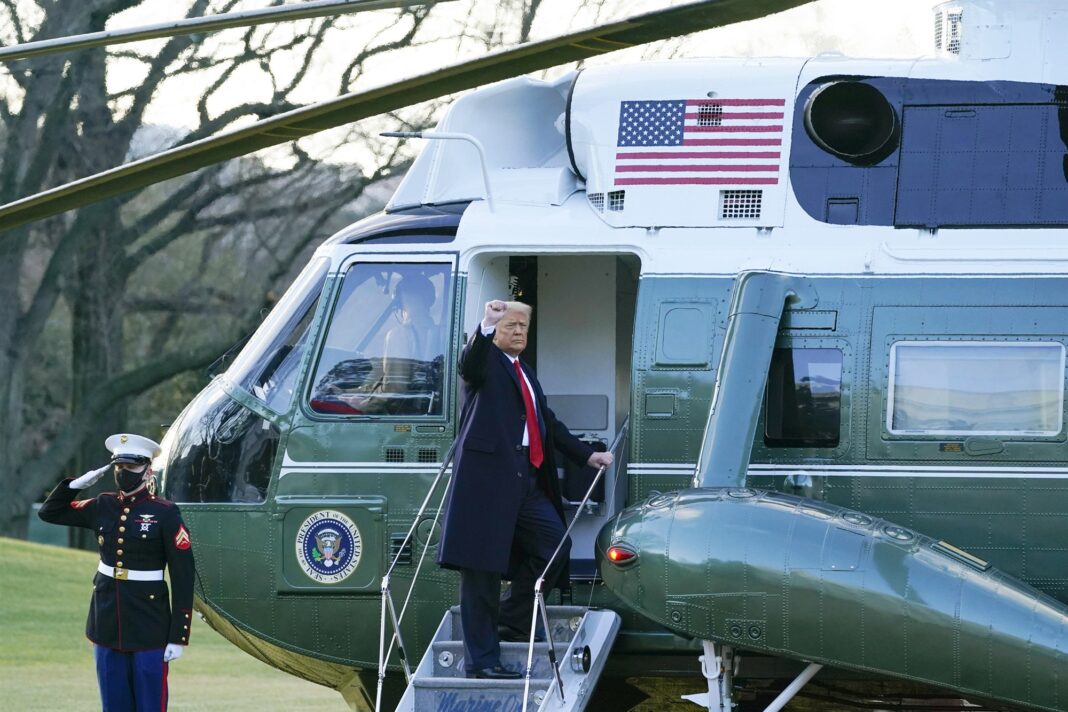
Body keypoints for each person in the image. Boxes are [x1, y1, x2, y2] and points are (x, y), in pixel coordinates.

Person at [437, 299, 614, 679]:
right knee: (481, 571)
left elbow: (547, 422)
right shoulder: (484, 363)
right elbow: (468, 363)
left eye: (523, 327)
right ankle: (482, 662)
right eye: (510, 326)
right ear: (495, 330)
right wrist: (485, 324)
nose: (517, 332)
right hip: (486, 482)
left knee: (555, 548)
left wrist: (586, 456)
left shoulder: (525, 372)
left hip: (525, 479)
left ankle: (509, 619)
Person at [39, 433, 195, 712]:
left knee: (149, 704)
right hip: (107, 622)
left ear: (147, 469)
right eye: (119, 467)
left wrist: (178, 635)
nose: (124, 473)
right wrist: (74, 485)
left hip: (150, 625)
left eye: (131, 468)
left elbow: (183, 576)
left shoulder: (165, 513)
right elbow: (50, 512)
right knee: (113, 705)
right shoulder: (103, 505)